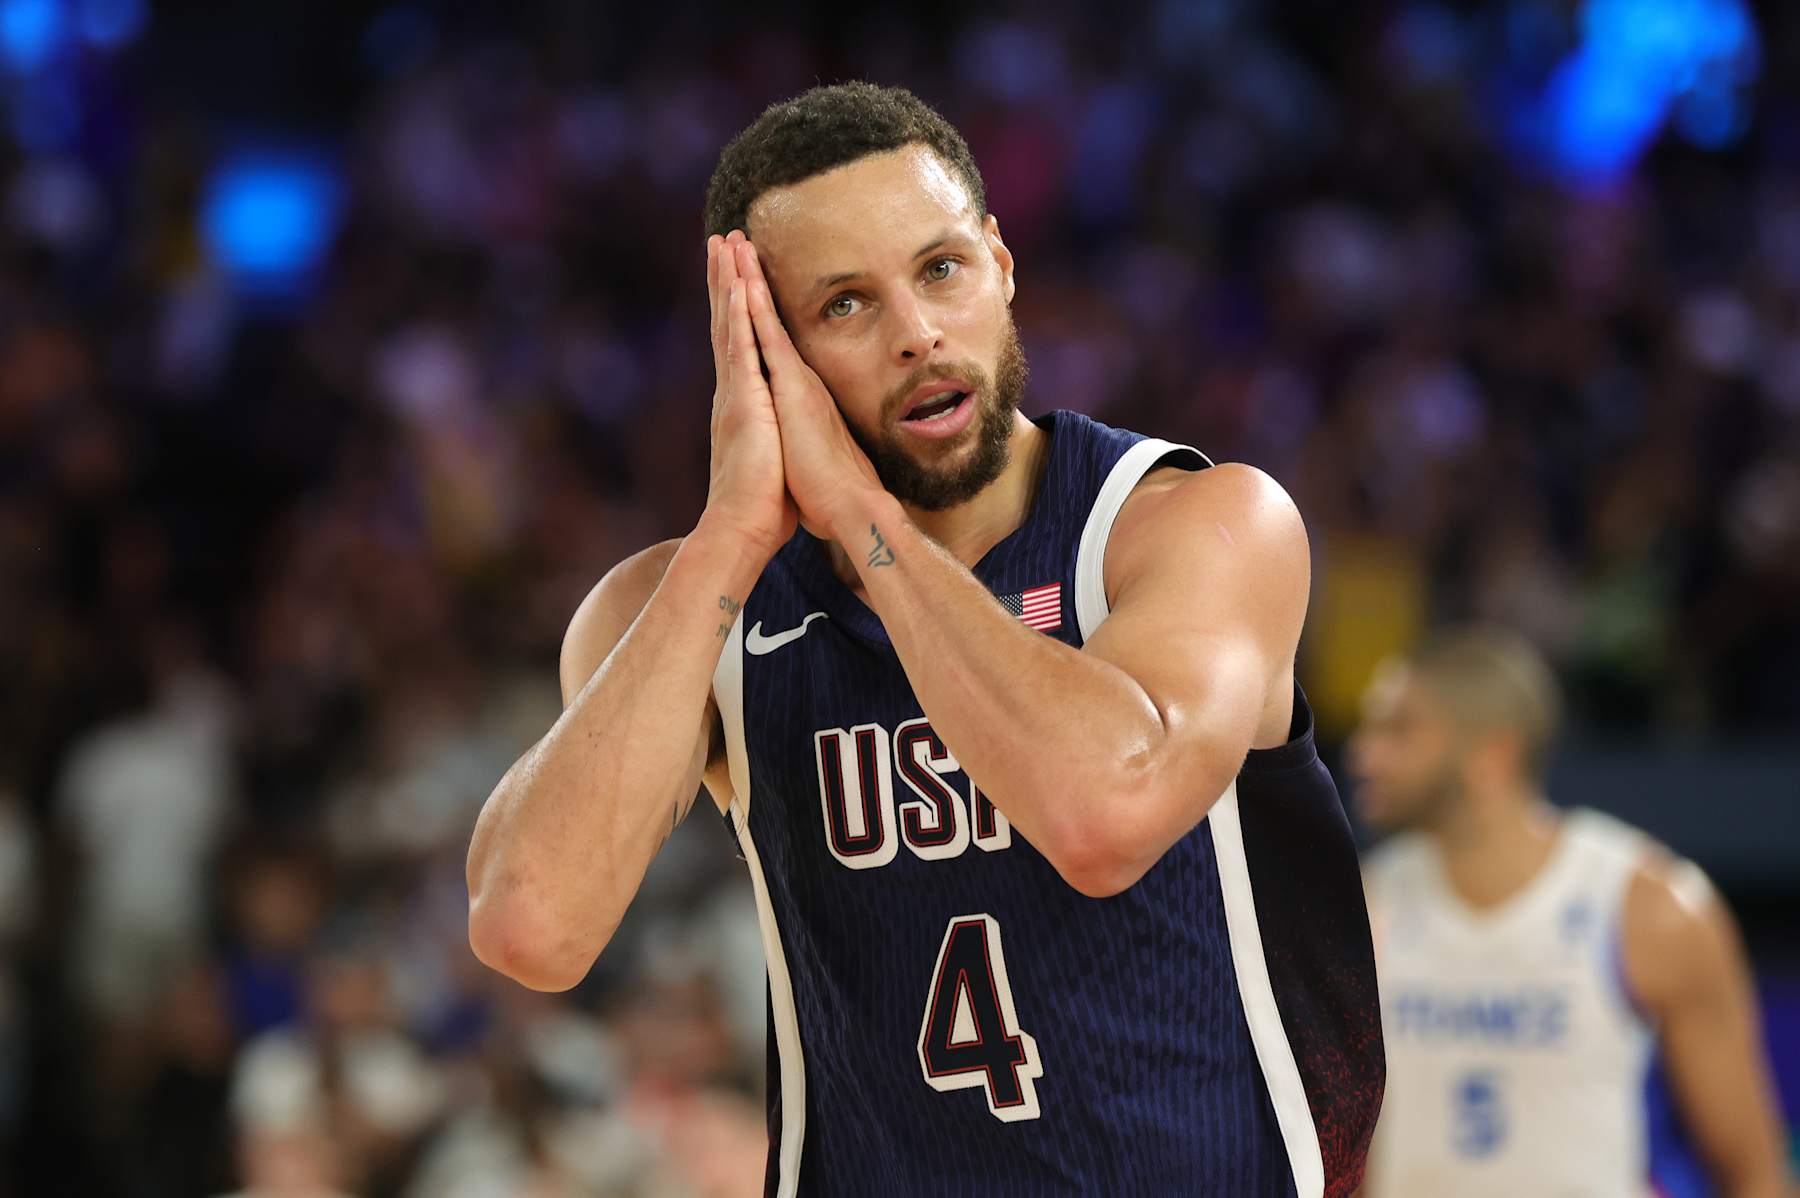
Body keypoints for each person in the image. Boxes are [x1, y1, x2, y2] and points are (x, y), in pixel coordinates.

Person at [467, 81, 1383, 1196]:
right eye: (845, 305)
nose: (917, 333)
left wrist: (864, 517)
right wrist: (727, 538)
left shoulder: (1188, 525)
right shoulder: (688, 605)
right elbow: (531, 928)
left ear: (1002, 265)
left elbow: (1104, 816)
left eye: (940, 268)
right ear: (766, 358)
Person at [1349, 626, 1795, 1198]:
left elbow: (1755, 1172)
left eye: (1400, 729)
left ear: (1492, 756)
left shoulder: (1650, 907)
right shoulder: (1364, 903)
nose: (1364, 752)